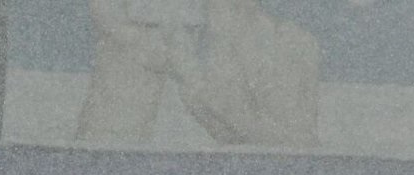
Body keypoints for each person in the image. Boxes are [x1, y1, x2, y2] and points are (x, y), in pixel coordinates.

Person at [76, 0, 319, 149]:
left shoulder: (282, 43)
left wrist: (204, 90)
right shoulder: (128, 43)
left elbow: (295, 151)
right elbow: (103, 159)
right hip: (126, 154)